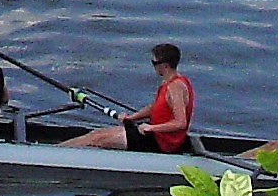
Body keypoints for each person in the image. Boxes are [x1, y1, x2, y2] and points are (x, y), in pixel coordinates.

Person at [63, 43, 193, 151]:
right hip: (152, 133)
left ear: (165, 66)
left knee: (97, 139)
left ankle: (56, 154)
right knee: (97, 133)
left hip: (162, 143)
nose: (153, 66)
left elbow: (180, 123)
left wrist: (151, 127)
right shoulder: (167, 82)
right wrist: (131, 117)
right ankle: (59, 149)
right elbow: (154, 107)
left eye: (154, 62)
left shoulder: (175, 87)